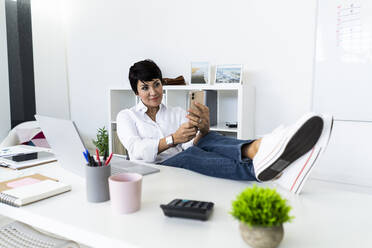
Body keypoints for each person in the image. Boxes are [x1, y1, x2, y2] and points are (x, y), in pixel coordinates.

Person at [117, 59, 326, 181]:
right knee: (189, 157)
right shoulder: (126, 116)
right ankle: (257, 168)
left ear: (162, 84)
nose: (153, 92)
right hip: (154, 170)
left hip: (182, 156)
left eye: (156, 85)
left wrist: (204, 129)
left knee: (207, 140)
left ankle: (257, 148)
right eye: (145, 87)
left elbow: (193, 144)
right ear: (136, 91)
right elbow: (136, 151)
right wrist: (172, 139)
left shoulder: (175, 111)